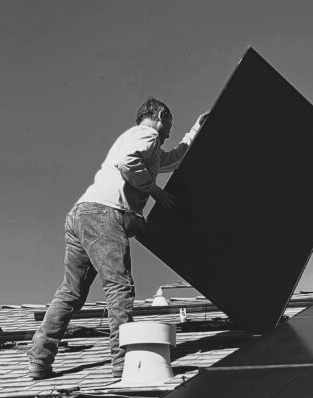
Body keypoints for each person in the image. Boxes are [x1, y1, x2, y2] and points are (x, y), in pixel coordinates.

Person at [27, 97, 208, 380]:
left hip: (81, 214)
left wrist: (196, 130)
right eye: (170, 124)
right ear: (160, 115)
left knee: (71, 292)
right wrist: (155, 191)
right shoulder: (146, 134)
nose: (170, 131)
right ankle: (123, 363)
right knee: (119, 286)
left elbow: (171, 160)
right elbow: (128, 163)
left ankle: (39, 358)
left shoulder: (134, 139)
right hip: (104, 213)